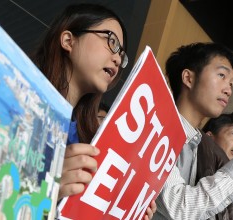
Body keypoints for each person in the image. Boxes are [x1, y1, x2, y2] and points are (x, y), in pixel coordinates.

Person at [31, 3, 156, 219]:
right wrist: (46, 189)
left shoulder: (90, 141)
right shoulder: (21, 104)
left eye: (122, 54)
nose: (117, 58)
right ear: (68, 40)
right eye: (111, 41)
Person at [153, 42, 233, 220]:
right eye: (221, 75)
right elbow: (180, 208)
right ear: (188, 78)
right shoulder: (156, 129)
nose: (228, 89)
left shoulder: (199, 144)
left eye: (231, 83)